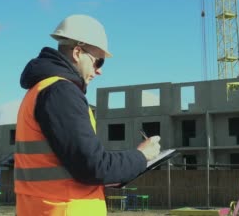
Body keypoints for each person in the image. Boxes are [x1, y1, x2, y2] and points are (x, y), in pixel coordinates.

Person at [14, 14, 161, 215]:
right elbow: (93, 167)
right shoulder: (61, 92)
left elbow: (78, 166)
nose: (98, 71)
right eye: (98, 62)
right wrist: (141, 155)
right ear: (77, 52)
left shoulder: (42, 90)